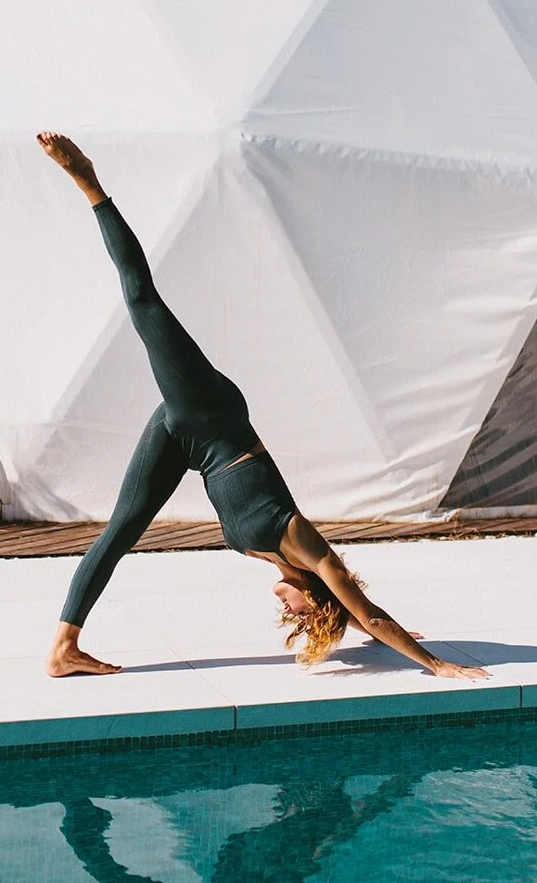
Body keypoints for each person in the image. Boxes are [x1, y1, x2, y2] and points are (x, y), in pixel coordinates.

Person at [37, 132, 489, 683]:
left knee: (121, 531)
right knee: (142, 300)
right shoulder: (305, 547)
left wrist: (376, 629)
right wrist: (436, 664)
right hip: (210, 414)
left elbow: (360, 613)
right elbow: (363, 608)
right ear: (317, 597)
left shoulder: (283, 564)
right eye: (297, 612)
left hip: (189, 442)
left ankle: (64, 648)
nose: (284, 612)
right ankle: (88, 180)